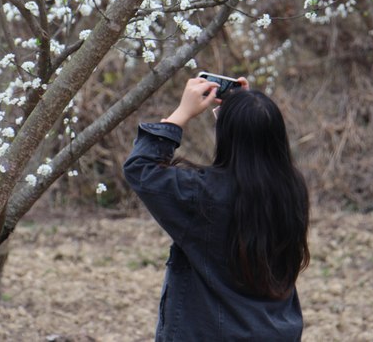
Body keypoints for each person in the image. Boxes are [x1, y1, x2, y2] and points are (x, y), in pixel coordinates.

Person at [123, 76, 310, 341]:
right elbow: (249, 156)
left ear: (227, 136)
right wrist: (240, 109)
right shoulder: (292, 189)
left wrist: (182, 113)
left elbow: (140, 168)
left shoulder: (202, 194)